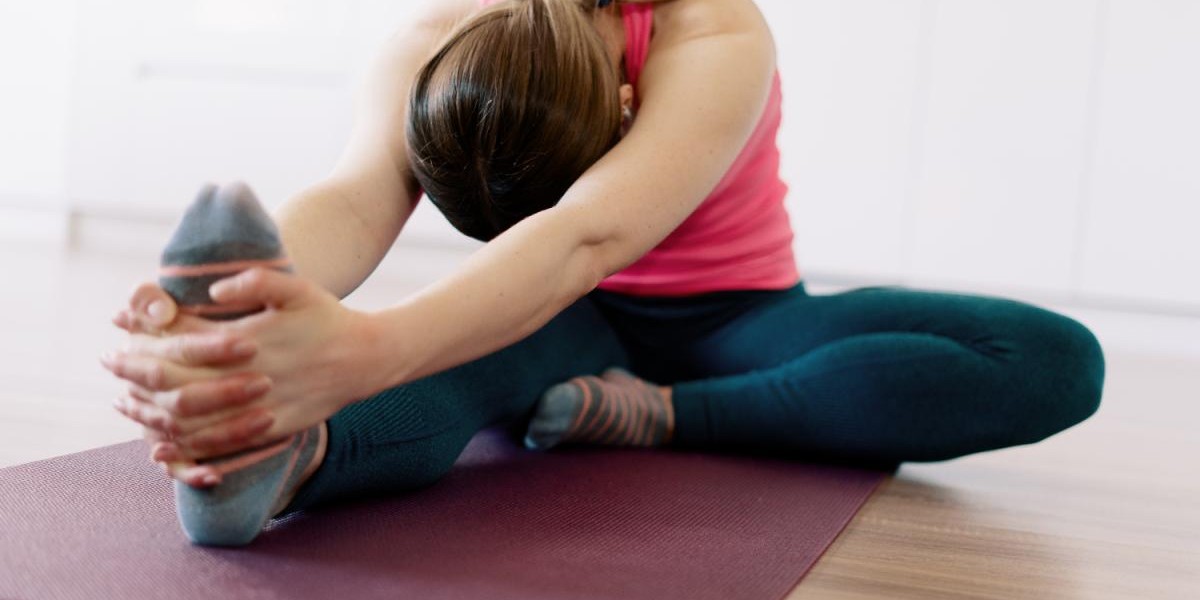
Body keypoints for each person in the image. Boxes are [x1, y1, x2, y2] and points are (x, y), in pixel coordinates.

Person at [102, 0, 1105, 546]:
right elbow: (359, 196)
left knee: (1055, 362)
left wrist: (366, 350)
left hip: (740, 321)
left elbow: (583, 236)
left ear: (627, 102)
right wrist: (244, 308)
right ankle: (272, 462)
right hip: (558, 316)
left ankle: (665, 415)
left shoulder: (712, 33)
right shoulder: (432, 37)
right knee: (462, 371)